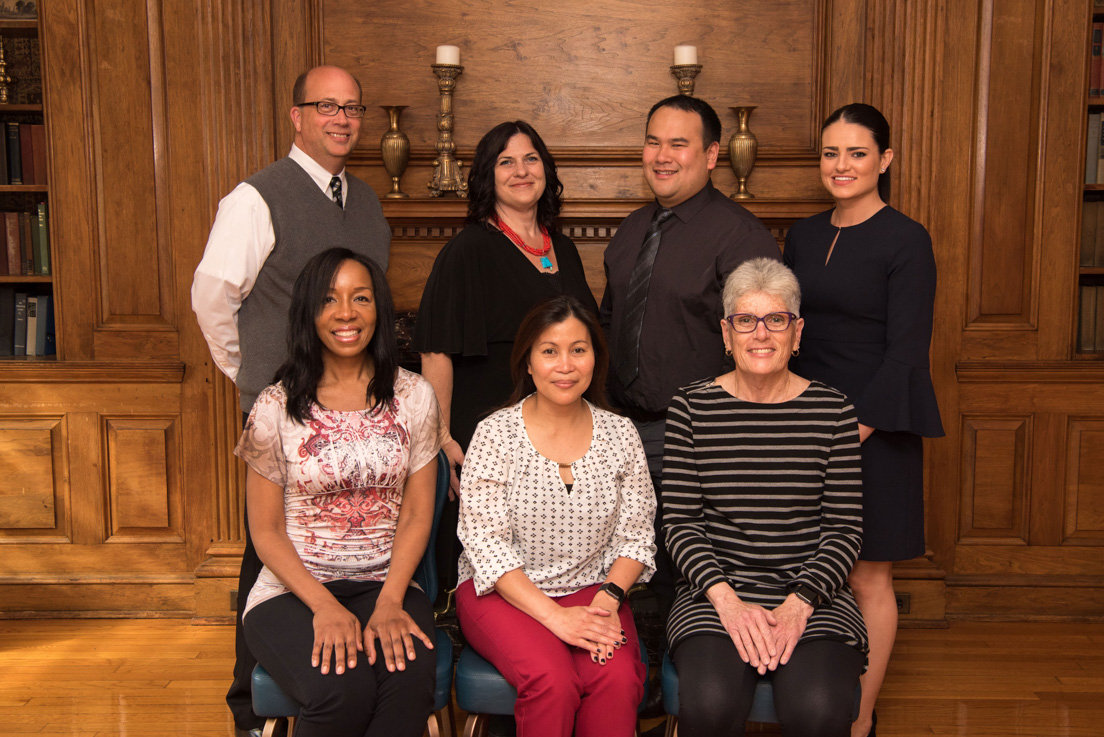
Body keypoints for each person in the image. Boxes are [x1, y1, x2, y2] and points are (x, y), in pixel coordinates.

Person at [191, 65, 391, 735]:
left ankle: (340, 664)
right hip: (283, 411)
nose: (341, 117)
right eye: (325, 105)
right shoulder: (256, 198)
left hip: (355, 405)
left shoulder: (363, 200)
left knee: (342, 536)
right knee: (266, 551)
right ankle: (251, 707)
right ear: (296, 115)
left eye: (352, 107)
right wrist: (252, 381)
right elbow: (213, 294)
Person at [783, 103, 943, 737]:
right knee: (806, 561)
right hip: (807, 417)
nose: (841, 165)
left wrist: (852, 433)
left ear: (885, 159)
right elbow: (787, 332)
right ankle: (808, 697)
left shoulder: (907, 238)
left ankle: (860, 716)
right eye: (830, 153)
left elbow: (907, 349)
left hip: (875, 426)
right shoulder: (801, 235)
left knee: (867, 572)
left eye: (856, 152)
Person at [236, 248, 440, 737]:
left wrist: (391, 601)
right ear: (309, 312)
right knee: (340, 690)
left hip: (385, 584)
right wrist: (325, 607)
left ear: (379, 310)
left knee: (405, 684)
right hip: (291, 591)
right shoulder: (275, 405)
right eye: (329, 299)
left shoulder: (414, 396)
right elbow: (264, 531)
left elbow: (416, 515)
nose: (346, 312)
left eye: (361, 298)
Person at [663, 258, 867, 737]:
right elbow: (681, 523)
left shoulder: (833, 410)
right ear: (726, 333)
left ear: (796, 333)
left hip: (815, 599)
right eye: (745, 321)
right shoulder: (691, 407)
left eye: (776, 320)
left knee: (817, 709)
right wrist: (728, 603)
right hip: (714, 597)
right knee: (711, 704)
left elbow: (844, 529)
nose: (761, 334)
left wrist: (799, 605)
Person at [599, 94, 780, 619]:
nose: (662, 155)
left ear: (711, 154)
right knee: (630, 561)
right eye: (653, 141)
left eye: (679, 143)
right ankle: (644, 677)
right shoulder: (633, 229)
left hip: (699, 434)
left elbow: (763, 346)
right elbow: (609, 323)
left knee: (685, 569)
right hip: (621, 428)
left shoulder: (741, 236)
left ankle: (685, 682)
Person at [455, 296, 656, 737]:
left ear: (594, 359)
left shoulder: (621, 434)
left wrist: (607, 600)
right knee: (552, 681)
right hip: (503, 595)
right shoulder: (495, 434)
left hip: (595, 593)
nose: (565, 365)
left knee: (618, 680)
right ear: (528, 362)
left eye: (578, 350)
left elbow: (636, 537)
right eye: (549, 351)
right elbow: (486, 544)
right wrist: (555, 617)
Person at [413, 121, 598, 591]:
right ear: (486, 176)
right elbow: (436, 349)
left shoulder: (566, 249)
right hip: (489, 433)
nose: (521, 170)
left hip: (559, 428)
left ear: (546, 169)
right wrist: (443, 437)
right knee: (497, 557)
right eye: (506, 161)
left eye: (531, 158)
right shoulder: (469, 249)